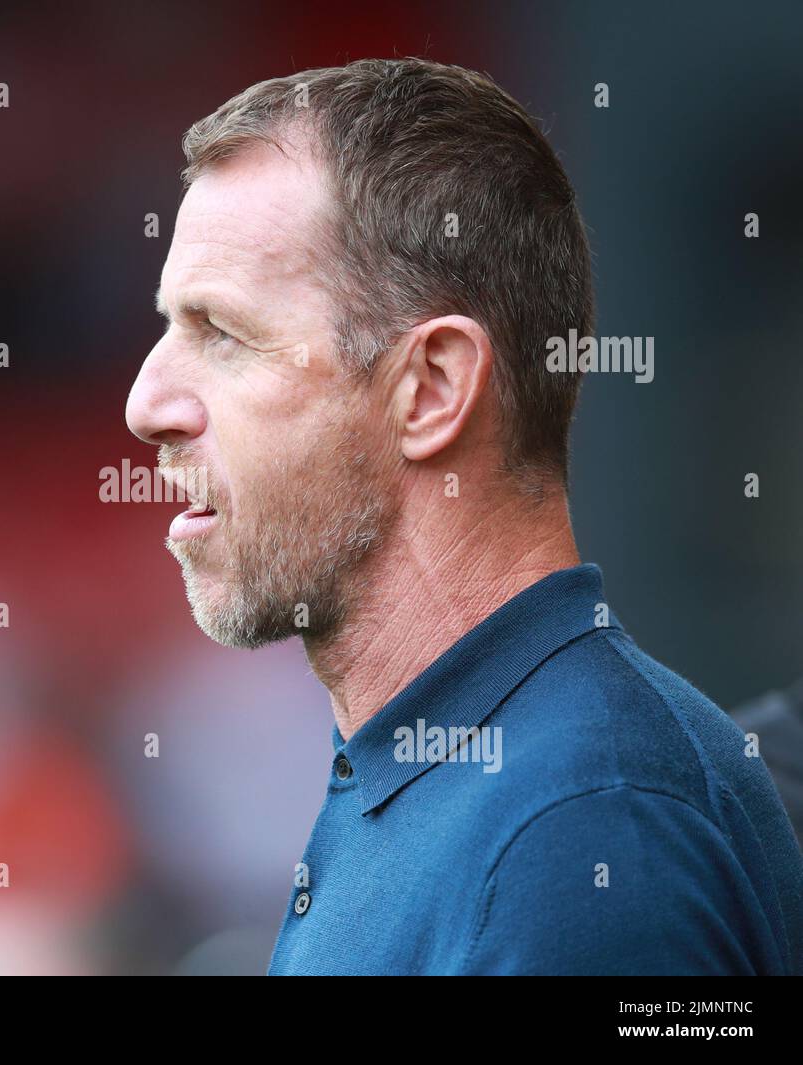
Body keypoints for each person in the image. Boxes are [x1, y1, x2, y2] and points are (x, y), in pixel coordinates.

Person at [124, 58, 803, 975]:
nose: (146, 401)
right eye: (169, 326)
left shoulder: (579, 836)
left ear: (432, 388)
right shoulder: (456, 773)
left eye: (224, 334)